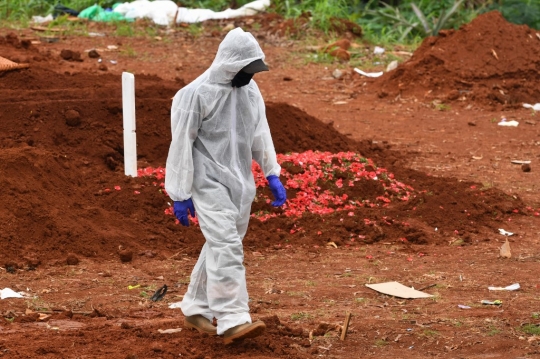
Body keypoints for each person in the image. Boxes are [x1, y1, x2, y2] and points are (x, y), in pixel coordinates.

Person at [165, 27, 287, 345]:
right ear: (229, 64)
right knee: (228, 247)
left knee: (221, 244)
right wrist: (180, 193)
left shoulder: (250, 91)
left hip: (241, 184)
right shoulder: (194, 95)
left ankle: (195, 306)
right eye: (246, 70)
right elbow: (180, 146)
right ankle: (233, 318)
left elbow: (260, 132)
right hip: (206, 181)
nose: (250, 76)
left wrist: (271, 172)